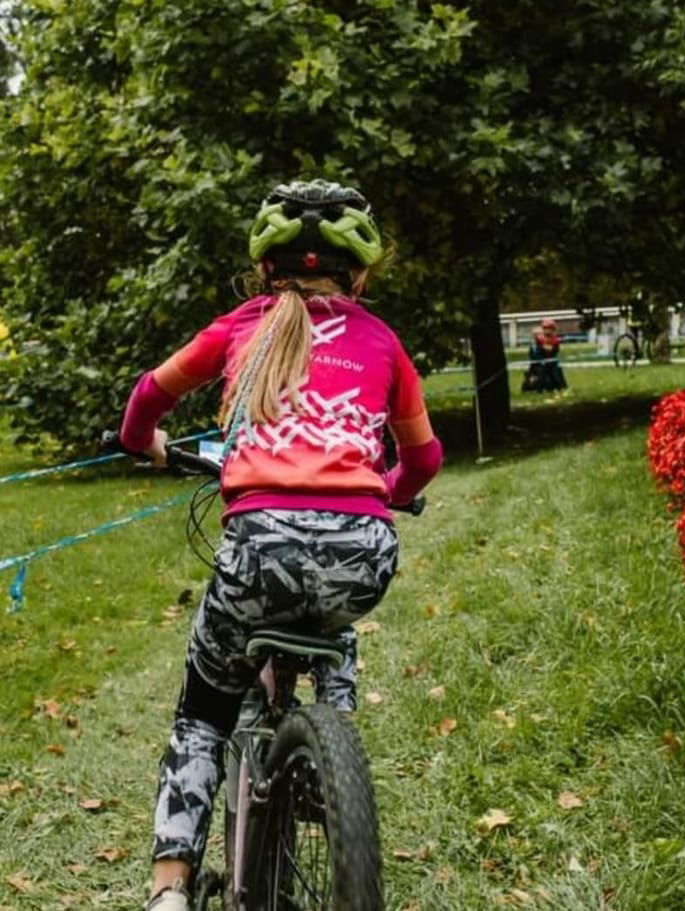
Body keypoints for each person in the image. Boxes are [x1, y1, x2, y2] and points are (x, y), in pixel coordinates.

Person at [118, 178, 444, 911]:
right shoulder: (383, 342)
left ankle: (169, 891)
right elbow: (423, 460)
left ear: (266, 269)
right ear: (358, 274)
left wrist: (146, 443)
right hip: (364, 549)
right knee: (334, 622)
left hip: (259, 543)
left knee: (202, 711)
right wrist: (378, 491)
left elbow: (147, 396)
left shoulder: (239, 328)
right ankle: (332, 753)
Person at [521, 318, 567, 392]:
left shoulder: (555, 340)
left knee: (557, 373)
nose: (547, 330)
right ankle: (538, 389)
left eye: (549, 328)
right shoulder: (538, 341)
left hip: (552, 363)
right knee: (540, 373)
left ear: (553, 329)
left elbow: (554, 351)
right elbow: (534, 354)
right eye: (545, 328)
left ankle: (560, 387)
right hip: (539, 363)